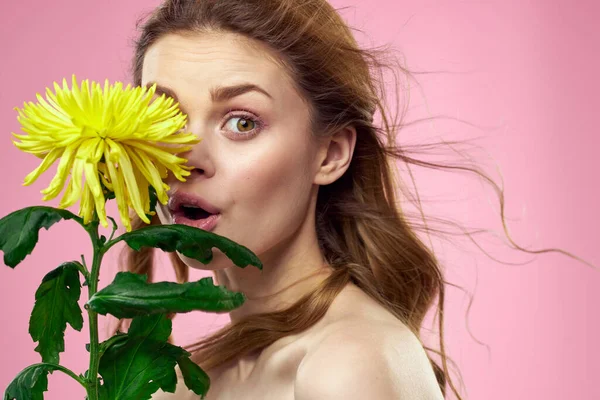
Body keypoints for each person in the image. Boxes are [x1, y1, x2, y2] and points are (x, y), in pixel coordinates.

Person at [113, 0, 466, 398]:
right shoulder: (183, 382)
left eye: (241, 123)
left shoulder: (348, 364)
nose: (186, 159)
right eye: (164, 119)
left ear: (330, 153)